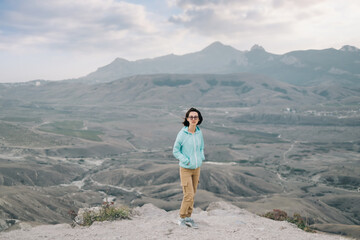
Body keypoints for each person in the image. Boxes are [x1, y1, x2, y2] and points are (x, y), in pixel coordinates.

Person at [173, 107, 205, 228]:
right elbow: (175, 151)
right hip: (186, 168)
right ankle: (181, 218)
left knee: (193, 194)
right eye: (191, 117)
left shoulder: (199, 132)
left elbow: (201, 146)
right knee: (188, 194)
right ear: (187, 119)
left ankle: (188, 217)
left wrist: (201, 158)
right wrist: (186, 160)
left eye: (195, 117)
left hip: (197, 168)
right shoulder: (182, 134)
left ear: (199, 119)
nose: (193, 119)